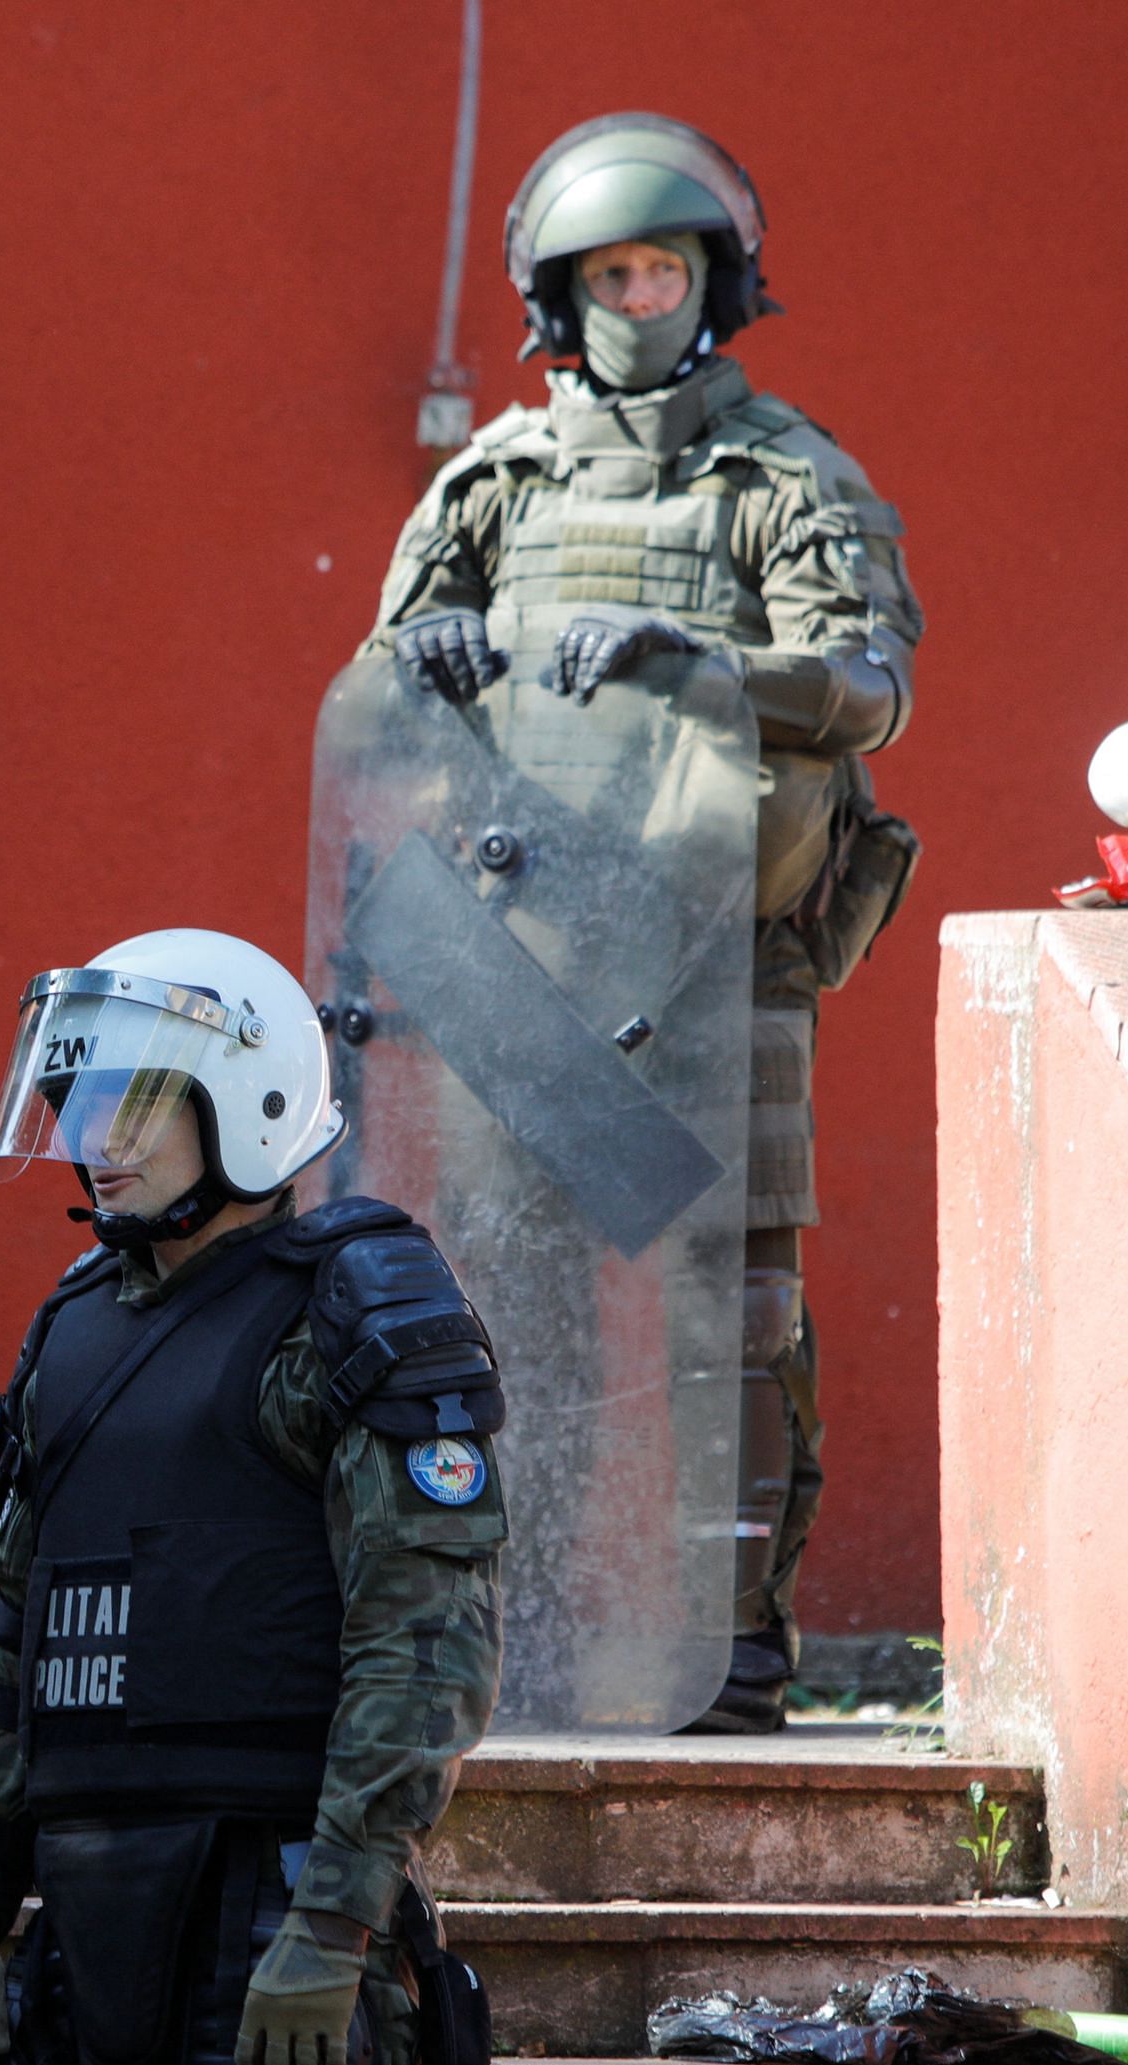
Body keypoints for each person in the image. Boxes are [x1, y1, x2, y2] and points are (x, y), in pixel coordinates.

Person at [366, 112, 925, 1730]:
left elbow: (871, 690)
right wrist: (440, 661)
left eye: (665, 263)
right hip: (522, 958)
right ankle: (521, 1623)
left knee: (728, 1317)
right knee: (509, 1309)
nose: (638, 293)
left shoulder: (784, 477)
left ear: (715, 281)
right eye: (610, 267)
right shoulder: (492, 483)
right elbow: (385, 677)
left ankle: (733, 1639)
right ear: (560, 290)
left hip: (715, 951)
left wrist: (694, 660)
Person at [0, 929, 506, 2065]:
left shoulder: (353, 1311)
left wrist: (337, 1923)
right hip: (94, 1910)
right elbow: (9, 1641)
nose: (90, 1139)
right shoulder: (74, 1328)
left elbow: (425, 1652)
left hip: (273, 1899)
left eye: (133, 1100)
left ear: (239, 1106)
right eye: (80, 1095)